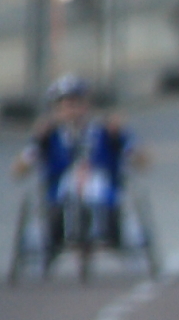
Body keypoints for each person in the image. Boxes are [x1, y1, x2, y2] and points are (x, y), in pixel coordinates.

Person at [14, 76, 139, 245]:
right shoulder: (49, 136)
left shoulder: (105, 131)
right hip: (61, 189)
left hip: (100, 185)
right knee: (58, 205)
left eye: (77, 104)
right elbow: (19, 170)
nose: (72, 111)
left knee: (102, 197)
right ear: (57, 110)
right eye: (66, 106)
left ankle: (107, 234)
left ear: (87, 105)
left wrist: (121, 136)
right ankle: (59, 239)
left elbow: (140, 160)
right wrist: (37, 141)